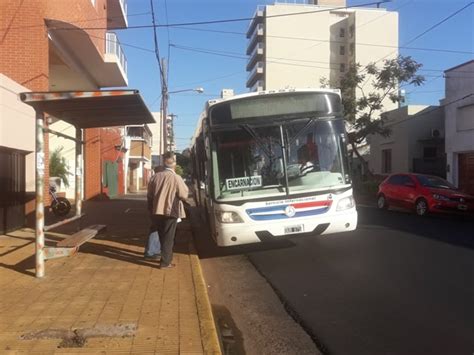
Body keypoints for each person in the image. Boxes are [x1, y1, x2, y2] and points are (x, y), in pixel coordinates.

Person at [147, 152, 189, 269]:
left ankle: (164, 258)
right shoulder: (176, 178)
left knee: (161, 235)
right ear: (174, 165)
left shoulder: (155, 177)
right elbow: (184, 194)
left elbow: (149, 195)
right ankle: (165, 262)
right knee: (168, 237)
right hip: (171, 211)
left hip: (156, 211)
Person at [144, 166, 163, 260]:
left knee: (155, 229)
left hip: (152, 208)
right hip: (156, 209)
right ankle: (151, 252)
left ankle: (153, 250)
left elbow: (150, 196)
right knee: (155, 230)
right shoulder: (157, 180)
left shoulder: (152, 180)